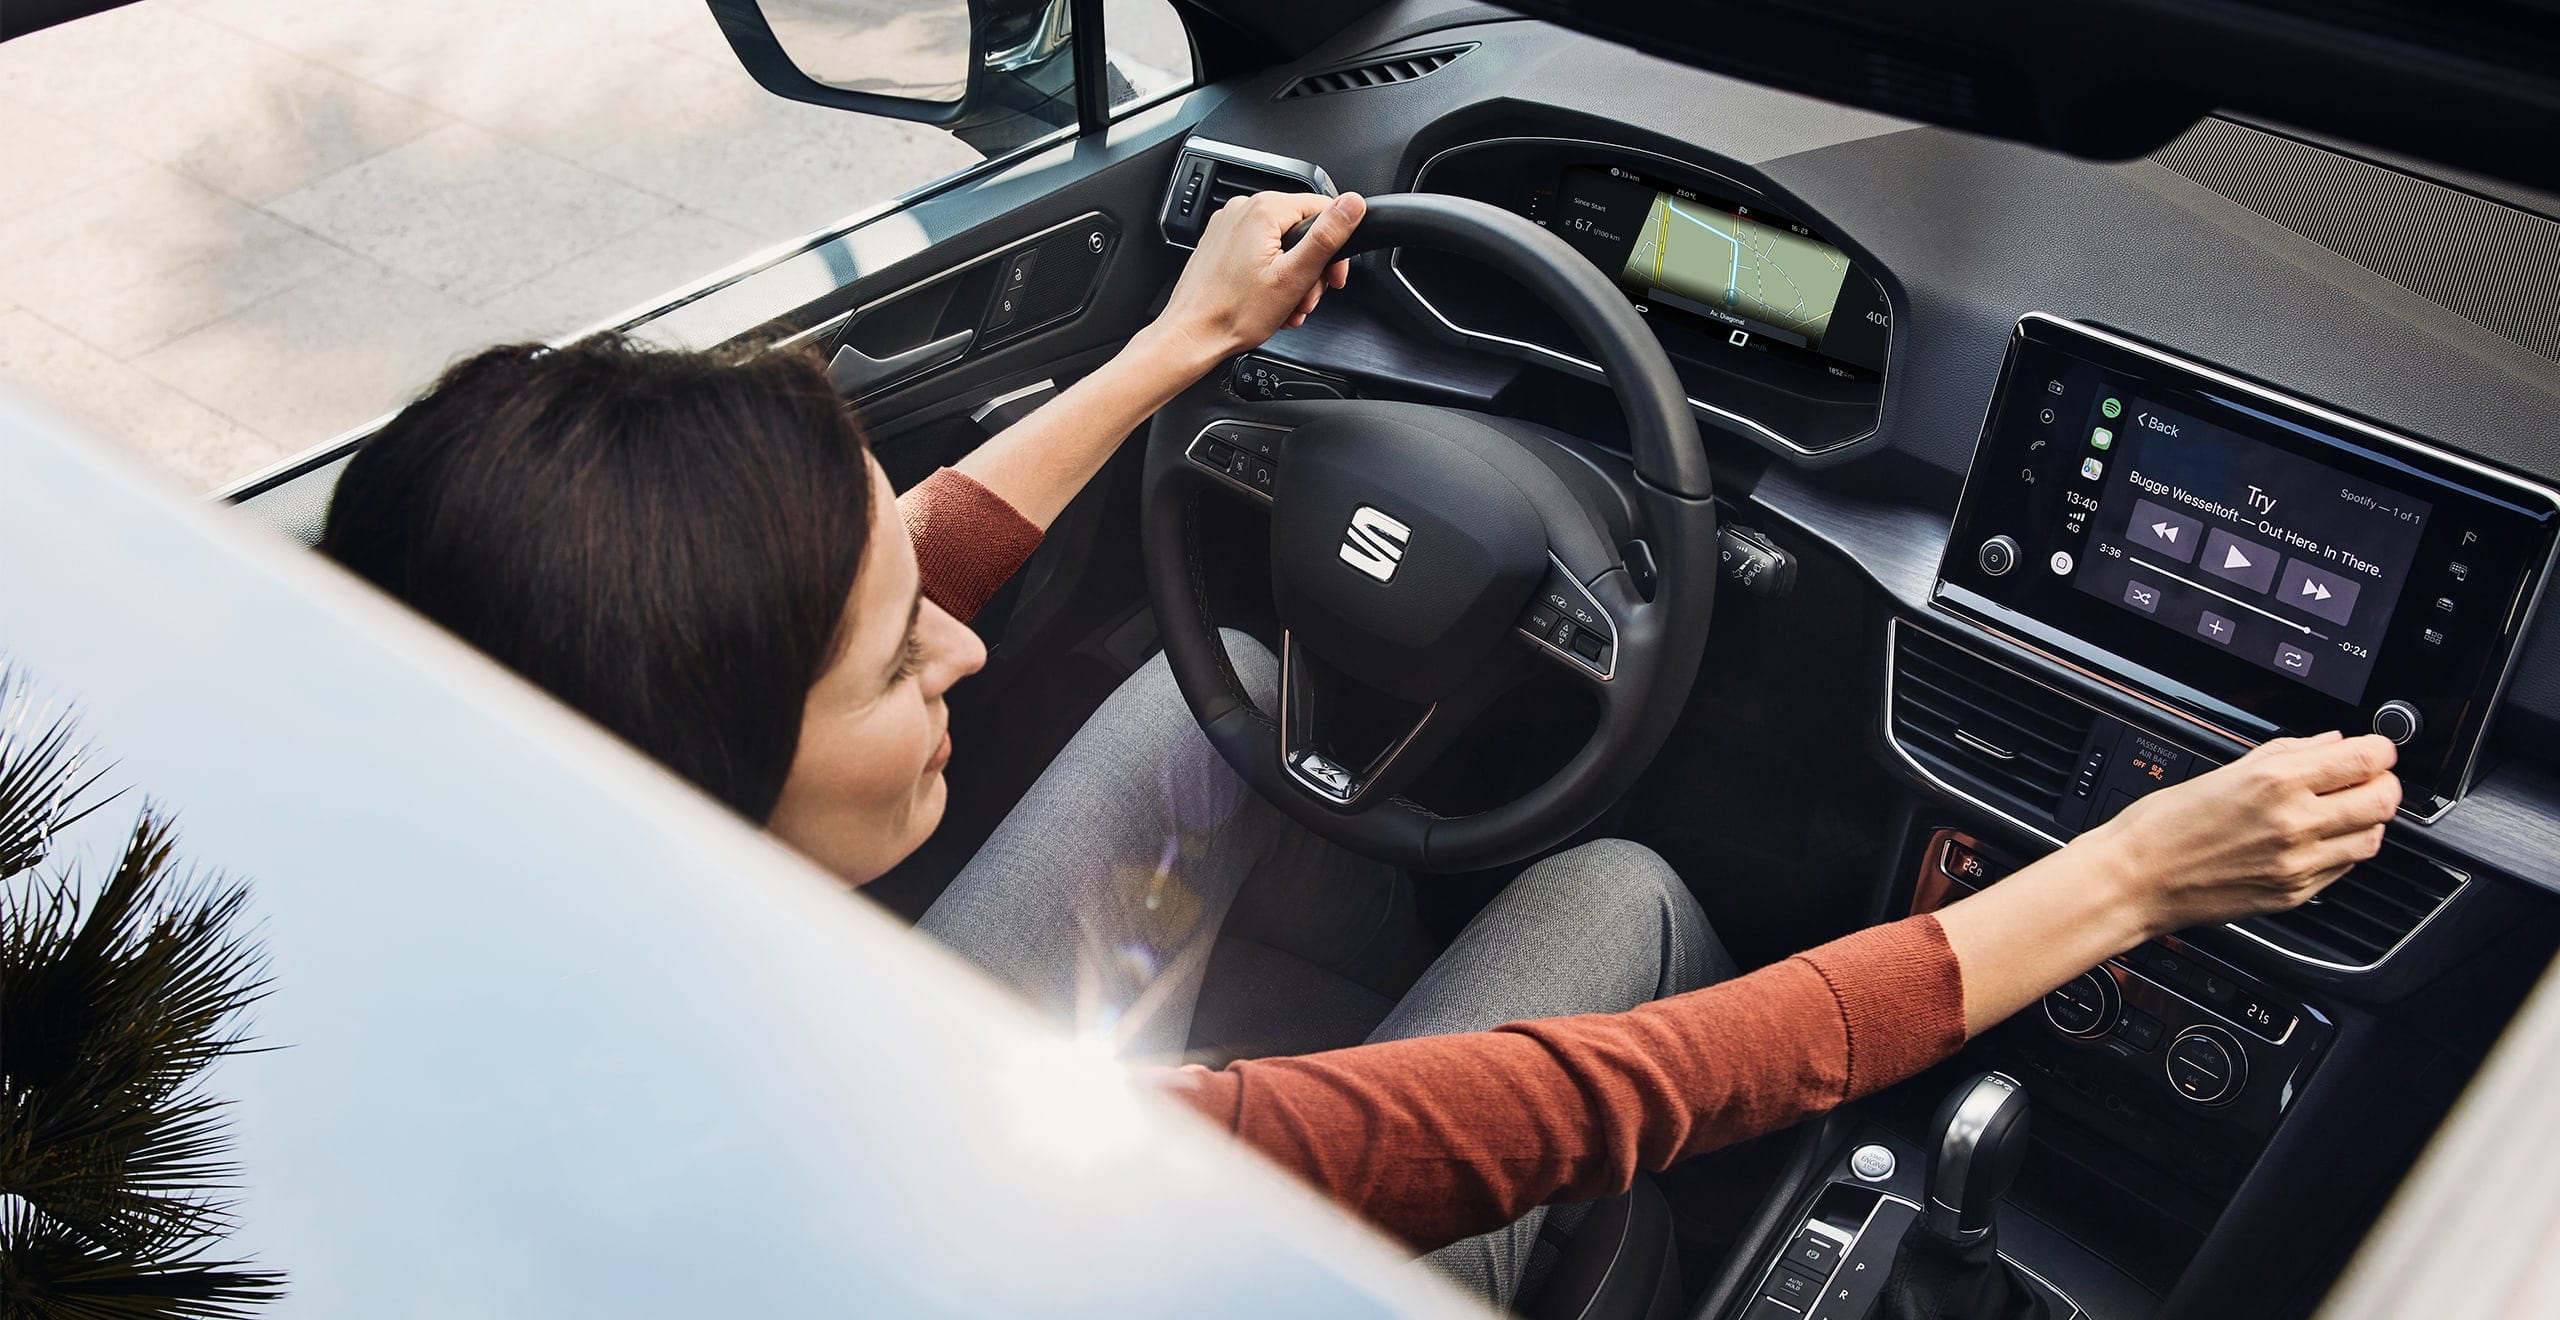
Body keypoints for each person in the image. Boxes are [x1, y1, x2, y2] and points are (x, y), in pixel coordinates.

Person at [317, 190, 2401, 1306]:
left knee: (1182, 693)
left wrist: (1178, 345)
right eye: (891, 657)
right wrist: (2127, 875)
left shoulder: (488, 857)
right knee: (1614, 897)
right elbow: (1614, 1089)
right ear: (697, 769)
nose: (957, 630)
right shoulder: (923, 1145)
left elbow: (879, 571)